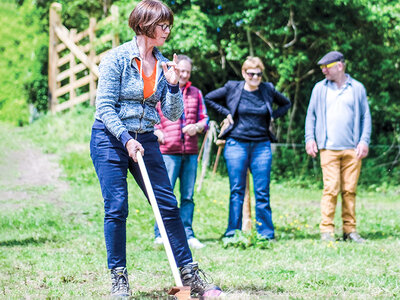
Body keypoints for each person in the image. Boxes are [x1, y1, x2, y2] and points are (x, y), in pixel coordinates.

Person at [89, 0, 222, 297]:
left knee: (167, 205)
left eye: (168, 25)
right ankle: (119, 278)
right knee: (117, 207)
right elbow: (105, 107)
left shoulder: (163, 65)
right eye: (163, 25)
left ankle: (189, 275)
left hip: (145, 137)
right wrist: (126, 139)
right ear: (146, 25)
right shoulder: (116, 59)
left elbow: (173, 114)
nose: (167, 30)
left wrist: (173, 86)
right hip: (110, 138)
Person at [204, 56, 291, 241]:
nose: (255, 78)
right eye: (251, 74)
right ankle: (232, 233)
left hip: (261, 145)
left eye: (259, 74)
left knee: (262, 191)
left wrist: (273, 116)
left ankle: (266, 234)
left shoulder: (267, 89)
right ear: (244, 73)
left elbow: (286, 104)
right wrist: (227, 113)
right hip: (237, 144)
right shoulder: (233, 87)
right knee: (237, 190)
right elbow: (209, 98)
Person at [305, 51, 372, 243]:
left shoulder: (357, 88)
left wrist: (364, 140)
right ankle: (327, 231)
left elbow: (365, 116)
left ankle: (349, 231)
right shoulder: (319, 89)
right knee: (331, 189)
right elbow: (311, 115)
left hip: (353, 149)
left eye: (327, 67)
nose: (324, 70)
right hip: (328, 148)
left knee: (349, 190)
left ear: (340, 66)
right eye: (322, 67)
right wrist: (310, 138)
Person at [153, 55, 208, 249]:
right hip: (169, 151)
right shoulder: (162, 89)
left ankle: (187, 233)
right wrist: (156, 131)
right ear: (175, 70)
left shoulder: (196, 93)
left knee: (187, 196)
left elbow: (205, 119)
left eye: (187, 72)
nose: (184, 74)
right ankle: (160, 233)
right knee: (166, 194)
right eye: (181, 70)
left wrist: (198, 127)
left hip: (190, 152)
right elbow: (151, 115)